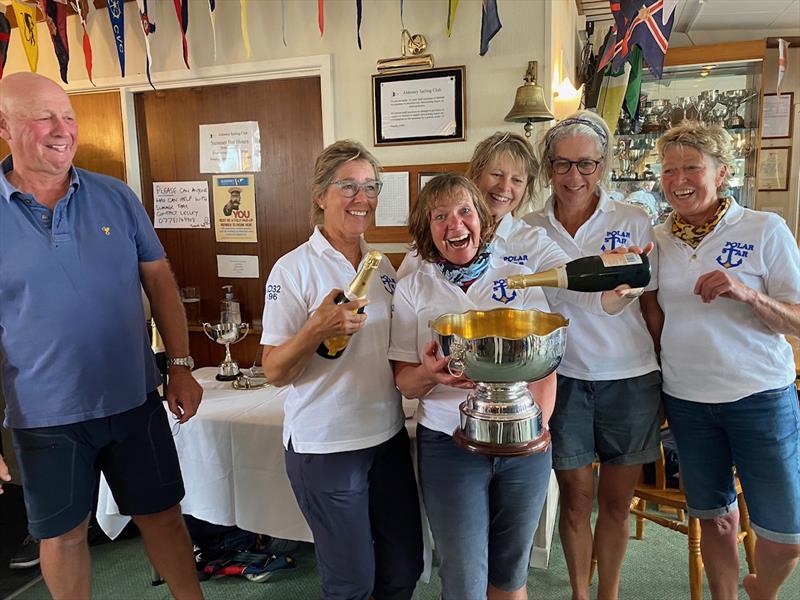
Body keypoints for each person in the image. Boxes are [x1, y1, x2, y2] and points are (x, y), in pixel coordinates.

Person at [389, 173, 643, 600]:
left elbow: (544, 366)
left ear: (482, 218)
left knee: (510, 572)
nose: (456, 225)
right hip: (450, 443)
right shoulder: (413, 288)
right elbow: (404, 382)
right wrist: (431, 375)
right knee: (465, 576)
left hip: (523, 444)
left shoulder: (519, 277)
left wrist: (538, 431)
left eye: (465, 211)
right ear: (427, 229)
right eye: (440, 217)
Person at [0, 73, 203, 600]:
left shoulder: (115, 196)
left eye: (67, 115)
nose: (61, 129)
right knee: (63, 535)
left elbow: (158, 278)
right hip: (44, 415)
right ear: (5, 126)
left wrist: (179, 365)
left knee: (163, 517)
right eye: (43, 116)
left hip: (133, 399)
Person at [260, 140, 423, 600]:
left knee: (403, 570)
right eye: (348, 186)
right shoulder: (292, 270)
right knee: (352, 583)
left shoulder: (383, 266)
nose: (362, 198)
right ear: (320, 194)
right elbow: (274, 371)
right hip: (326, 446)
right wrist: (315, 328)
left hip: (386, 438)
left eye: (371, 187)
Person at [654, 122, 800, 600]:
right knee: (713, 517)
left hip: (760, 397)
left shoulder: (764, 228)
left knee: (785, 533)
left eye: (692, 167)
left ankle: (763, 588)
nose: (679, 179)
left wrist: (747, 294)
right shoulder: (657, 240)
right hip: (689, 402)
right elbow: (648, 312)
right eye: (669, 169)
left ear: (722, 173)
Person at [524, 110, 662, 600]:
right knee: (576, 503)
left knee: (617, 503)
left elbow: (651, 305)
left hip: (631, 378)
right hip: (565, 381)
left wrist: (664, 376)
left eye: (586, 165)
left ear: (602, 166)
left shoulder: (633, 218)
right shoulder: (528, 228)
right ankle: (582, 594)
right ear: (547, 166)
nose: (573, 177)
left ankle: (610, 593)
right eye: (562, 165)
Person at [397, 131, 569, 279]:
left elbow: (577, 282)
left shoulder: (533, 240)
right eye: (496, 174)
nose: (504, 187)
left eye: (517, 180)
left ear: (526, 188)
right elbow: (402, 293)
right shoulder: (437, 233)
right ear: (476, 175)